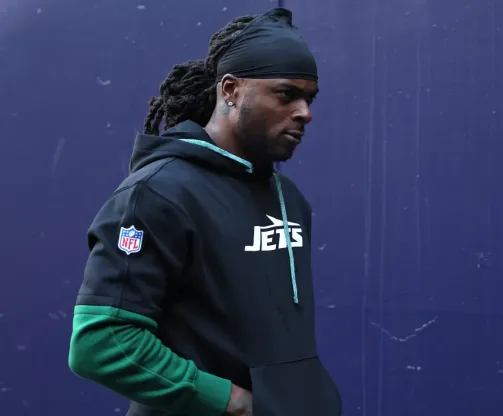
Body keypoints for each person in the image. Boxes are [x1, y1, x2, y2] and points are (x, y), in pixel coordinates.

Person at [67, 8, 341, 416]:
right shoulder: (158, 194)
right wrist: (230, 402)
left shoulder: (289, 197)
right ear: (230, 90)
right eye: (286, 94)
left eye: (309, 98)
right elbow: (101, 342)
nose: (305, 112)